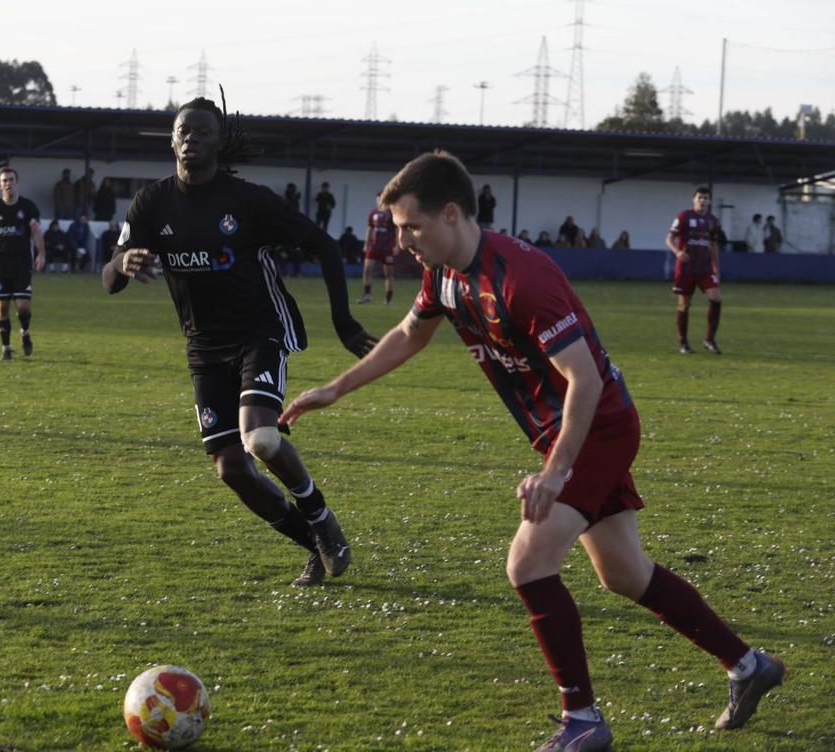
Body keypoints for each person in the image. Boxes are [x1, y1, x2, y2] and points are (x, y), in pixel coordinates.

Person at [282, 150, 786, 752]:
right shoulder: (443, 273)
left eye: (410, 226)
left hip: (598, 424)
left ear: (450, 214)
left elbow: (587, 381)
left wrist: (556, 471)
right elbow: (408, 335)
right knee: (624, 574)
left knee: (528, 563)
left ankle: (583, 720)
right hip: (567, 432)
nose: (402, 241)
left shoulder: (523, 279)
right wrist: (334, 389)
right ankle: (748, 664)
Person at [102, 95, 378, 587]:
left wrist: (342, 320)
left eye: (203, 132)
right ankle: (314, 546)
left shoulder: (247, 202)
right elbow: (110, 277)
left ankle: (321, 517)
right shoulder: (152, 202)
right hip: (204, 348)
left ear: (218, 140)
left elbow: (324, 245)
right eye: (184, 130)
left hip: (260, 330)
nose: (191, 139)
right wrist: (121, 264)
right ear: (172, 139)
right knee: (231, 468)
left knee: (262, 438)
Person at [0, 167, 46, 360]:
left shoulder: (28, 207)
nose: (8, 183)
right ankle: (6, 348)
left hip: (21, 263)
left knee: (23, 306)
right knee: (2, 308)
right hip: (1, 264)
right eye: (5, 180)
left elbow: (36, 232)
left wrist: (41, 254)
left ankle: (25, 333)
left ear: (17, 182)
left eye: (11, 179)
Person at [666, 186, 723, 354]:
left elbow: (713, 245)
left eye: (705, 198)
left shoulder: (713, 221)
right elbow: (669, 238)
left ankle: (710, 340)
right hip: (686, 268)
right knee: (684, 305)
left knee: (716, 298)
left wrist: (716, 268)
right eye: (699, 197)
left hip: (705, 268)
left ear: (709, 201)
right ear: (694, 199)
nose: (702, 201)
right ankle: (683, 343)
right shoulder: (684, 216)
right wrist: (677, 252)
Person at [359, 193, 397, 304]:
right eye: (377, 199)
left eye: (381, 199)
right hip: (373, 247)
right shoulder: (373, 213)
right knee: (367, 270)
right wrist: (366, 244)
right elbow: (369, 228)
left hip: (387, 248)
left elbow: (397, 229)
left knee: (388, 274)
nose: (379, 201)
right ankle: (367, 295)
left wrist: (397, 245)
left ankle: (388, 299)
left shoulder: (391, 213)